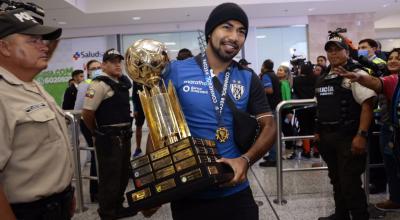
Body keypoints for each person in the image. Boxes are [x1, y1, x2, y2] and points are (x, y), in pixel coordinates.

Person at [162, 3, 276, 220]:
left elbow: (269, 125)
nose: (234, 36)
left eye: (241, 31)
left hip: (236, 191)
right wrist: (156, 183)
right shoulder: (176, 71)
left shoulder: (248, 76)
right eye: (227, 27)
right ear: (210, 31)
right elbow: (161, 130)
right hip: (190, 193)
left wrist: (246, 160)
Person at [0, 9, 75, 220]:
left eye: (42, 39)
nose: (44, 46)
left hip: (57, 203)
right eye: (33, 40)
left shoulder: (30, 85)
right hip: (28, 211)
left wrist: (67, 192)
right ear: (3, 47)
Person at [315, 36, 376, 220]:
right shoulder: (324, 77)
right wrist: (318, 132)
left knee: (350, 184)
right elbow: (321, 106)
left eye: (337, 49)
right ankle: (341, 215)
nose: (333, 53)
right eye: (330, 50)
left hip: (349, 137)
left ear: (347, 52)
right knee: (336, 181)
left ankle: (360, 216)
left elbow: (367, 105)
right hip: (327, 138)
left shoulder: (357, 73)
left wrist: (361, 135)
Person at [338, 48, 400, 212]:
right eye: (391, 58)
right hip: (391, 130)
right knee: (391, 166)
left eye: (398, 58)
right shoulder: (392, 80)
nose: (393, 61)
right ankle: (396, 199)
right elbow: (375, 82)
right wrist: (358, 76)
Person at [82, 49, 136, 219]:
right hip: (109, 139)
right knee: (109, 178)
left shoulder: (122, 83)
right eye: (112, 62)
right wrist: (96, 132)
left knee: (122, 175)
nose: (117, 64)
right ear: (104, 65)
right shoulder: (99, 85)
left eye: (119, 61)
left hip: (124, 136)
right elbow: (87, 113)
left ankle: (117, 207)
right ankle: (107, 212)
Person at [74, 59, 102, 203]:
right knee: (96, 154)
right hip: (89, 123)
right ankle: (95, 191)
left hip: (100, 123)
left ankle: (99, 190)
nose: (96, 69)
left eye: (98, 67)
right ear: (88, 71)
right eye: (93, 68)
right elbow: (79, 108)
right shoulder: (85, 85)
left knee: (100, 155)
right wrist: (89, 128)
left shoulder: (103, 82)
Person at [258, 59, 282, 167]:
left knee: (271, 134)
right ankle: (274, 155)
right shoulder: (274, 75)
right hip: (276, 106)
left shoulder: (266, 75)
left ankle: (273, 159)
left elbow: (269, 90)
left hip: (271, 108)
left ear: (264, 66)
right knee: (274, 133)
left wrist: (258, 90)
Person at [131, 81, 145, 157]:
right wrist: (135, 109)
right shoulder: (136, 77)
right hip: (140, 106)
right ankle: (138, 149)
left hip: (151, 103)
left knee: (154, 128)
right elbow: (134, 95)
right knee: (138, 127)